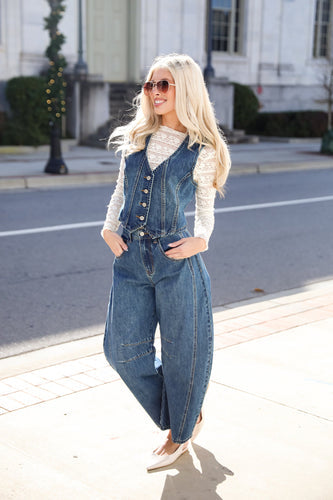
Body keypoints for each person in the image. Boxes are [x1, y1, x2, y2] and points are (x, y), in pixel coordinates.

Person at [102, 53, 231, 471]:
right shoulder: (137, 137)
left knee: (183, 352)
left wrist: (202, 240)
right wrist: (107, 228)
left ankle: (179, 433)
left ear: (185, 89)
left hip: (177, 259)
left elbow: (206, 209)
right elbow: (121, 191)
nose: (154, 92)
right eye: (149, 85)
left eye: (164, 85)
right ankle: (183, 414)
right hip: (130, 260)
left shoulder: (202, 148)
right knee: (120, 351)